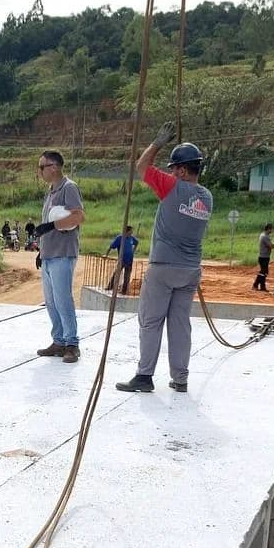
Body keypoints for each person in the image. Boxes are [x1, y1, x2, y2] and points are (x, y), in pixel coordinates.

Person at [116, 123, 212, 394]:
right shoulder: (207, 197)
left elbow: (141, 167)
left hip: (164, 268)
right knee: (180, 326)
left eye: (173, 168)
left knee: (150, 321)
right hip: (190, 269)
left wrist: (157, 143)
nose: (170, 172)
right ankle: (180, 379)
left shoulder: (172, 187)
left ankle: (144, 376)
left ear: (182, 170)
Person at [34, 151, 85, 363]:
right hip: (49, 254)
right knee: (51, 301)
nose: (40, 171)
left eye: (41, 167)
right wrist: (40, 250)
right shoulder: (51, 191)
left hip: (63, 253)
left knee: (63, 299)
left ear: (53, 167)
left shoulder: (68, 188)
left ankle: (72, 343)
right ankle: (59, 341)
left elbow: (78, 216)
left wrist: (52, 225)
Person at [105, 225, 139, 295]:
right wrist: (106, 255)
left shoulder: (131, 238)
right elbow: (111, 246)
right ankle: (110, 286)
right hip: (122, 260)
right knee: (117, 274)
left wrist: (133, 250)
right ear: (127, 231)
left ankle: (124, 290)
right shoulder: (120, 238)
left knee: (127, 276)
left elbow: (137, 242)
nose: (132, 233)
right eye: (130, 231)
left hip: (129, 260)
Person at [252, 223, 274, 292]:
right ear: (269, 229)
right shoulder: (265, 237)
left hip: (263, 256)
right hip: (264, 257)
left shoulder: (263, 235)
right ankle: (255, 285)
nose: (272, 230)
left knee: (264, 272)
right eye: (271, 229)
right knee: (263, 272)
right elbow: (271, 246)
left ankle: (262, 287)